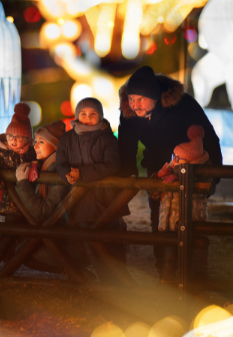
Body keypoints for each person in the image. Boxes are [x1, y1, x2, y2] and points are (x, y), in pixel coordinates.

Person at [117, 65, 222, 279]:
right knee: (159, 218)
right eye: (131, 98)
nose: (135, 105)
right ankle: (164, 273)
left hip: (191, 166)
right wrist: (127, 173)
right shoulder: (128, 111)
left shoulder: (182, 106)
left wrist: (213, 176)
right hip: (158, 167)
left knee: (191, 219)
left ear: (155, 97)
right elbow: (126, 144)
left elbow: (209, 137)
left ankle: (194, 275)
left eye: (141, 99)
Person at [56, 97, 127, 283]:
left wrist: (83, 174)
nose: (88, 118)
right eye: (83, 114)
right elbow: (60, 162)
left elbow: (112, 165)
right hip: (81, 199)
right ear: (77, 115)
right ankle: (104, 282)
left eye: (93, 114)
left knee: (111, 236)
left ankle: (120, 281)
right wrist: (66, 174)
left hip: (106, 198)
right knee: (89, 239)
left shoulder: (107, 138)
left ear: (100, 117)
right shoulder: (68, 138)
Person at [13, 120, 89, 275]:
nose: (35, 146)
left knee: (19, 252)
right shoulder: (44, 167)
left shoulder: (60, 171)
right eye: (35, 141)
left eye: (41, 142)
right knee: (15, 247)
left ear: (56, 146)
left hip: (72, 244)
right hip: (62, 239)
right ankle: (75, 273)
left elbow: (42, 212)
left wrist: (22, 183)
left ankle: (76, 273)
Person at [0, 103, 37, 275]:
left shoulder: (31, 153)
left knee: (18, 235)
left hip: (28, 202)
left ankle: (7, 266)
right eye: (10, 135)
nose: (13, 140)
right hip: (11, 203)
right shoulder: (2, 154)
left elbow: (39, 158)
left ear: (28, 139)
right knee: (9, 233)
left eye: (18, 137)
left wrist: (35, 165)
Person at [152, 125, 212, 281]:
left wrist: (179, 179)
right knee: (170, 256)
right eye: (174, 156)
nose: (174, 160)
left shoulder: (201, 173)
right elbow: (152, 191)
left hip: (192, 223)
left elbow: (203, 186)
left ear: (191, 161)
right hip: (171, 224)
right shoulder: (169, 169)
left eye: (178, 158)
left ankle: (196, 286)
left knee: (195, 255)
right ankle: (167, 286)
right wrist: (159, 175)